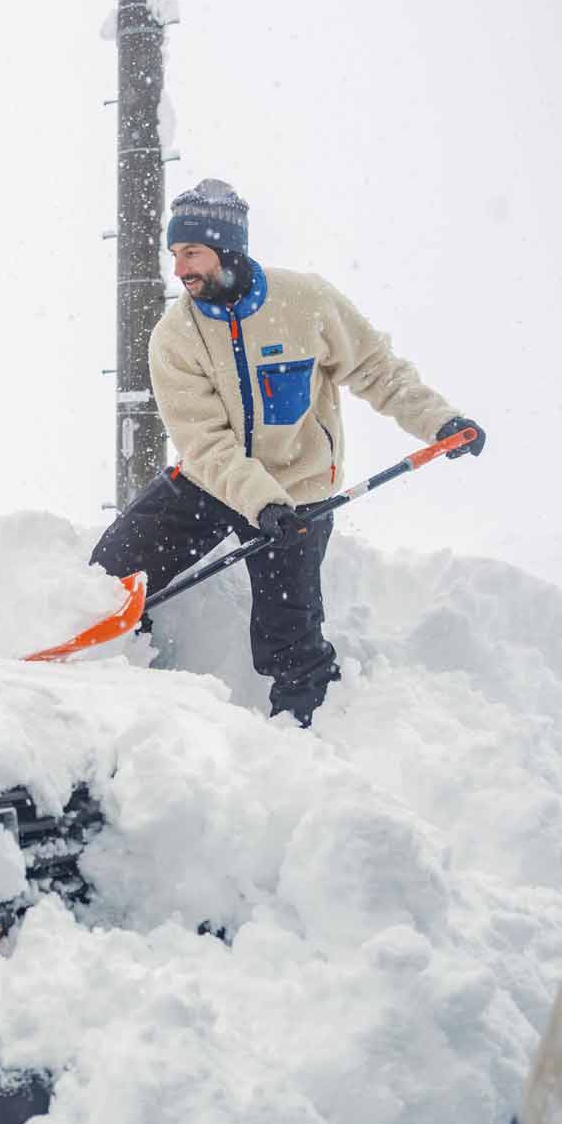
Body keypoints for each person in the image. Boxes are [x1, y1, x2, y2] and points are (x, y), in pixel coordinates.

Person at [90, 178, 485, 727]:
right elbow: (205, 442)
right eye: (175, 254)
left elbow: (376, 368)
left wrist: (439, 420)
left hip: (299, 493)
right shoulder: (174, 336)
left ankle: (302, 734)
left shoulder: (305, 302)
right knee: (109, 572)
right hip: (213, 480)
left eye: (192, 253)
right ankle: (118, 680)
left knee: (288, 637)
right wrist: (257, 500)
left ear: (227, 248)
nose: (180, 269)